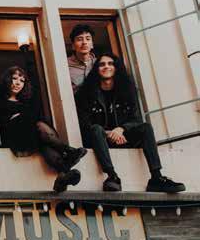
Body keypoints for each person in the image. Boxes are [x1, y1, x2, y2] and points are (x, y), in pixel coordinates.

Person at [75, 52, 185, 192]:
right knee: (96, 129)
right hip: (100, 139)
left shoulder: (127, 89)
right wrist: (109, 133)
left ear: (116, 68)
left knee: (146, 127)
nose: (106, 66)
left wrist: (121, 129)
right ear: (96, 69)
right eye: (102, 64)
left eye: (110, 63)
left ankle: (156, 177)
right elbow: (85, 124)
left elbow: (135, 119)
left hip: (124, 137)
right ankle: (112, 176)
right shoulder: (86, 93)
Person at [0, 66, 87, 193]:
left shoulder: (25, 103)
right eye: (14, 78)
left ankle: (62, 176)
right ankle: (67, 150)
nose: (18, 83)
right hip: (13, 139)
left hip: (31, 138)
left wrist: (21, 117)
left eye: (22, 81)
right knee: (36, 122)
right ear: (7, 79)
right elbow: (2, 124)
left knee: (43, 144)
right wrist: (19, 118)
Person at [67, 24, 96, 93]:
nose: (84, 42)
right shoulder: (65, 65)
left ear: (92, 44)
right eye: (79, 39)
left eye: (88, 39)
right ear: (73, 46)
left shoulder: (99, 63)